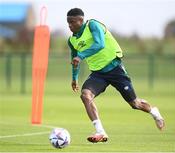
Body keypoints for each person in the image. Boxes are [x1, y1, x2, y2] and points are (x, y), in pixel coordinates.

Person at [67, 8, 165, 143]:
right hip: (98, 74)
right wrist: (74, 78)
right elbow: (74, 60)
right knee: (85, 95)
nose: (69, 25)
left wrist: (81, 55)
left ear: (81, 20)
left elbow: (99, 44)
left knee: (135, 104)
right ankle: (100, 131)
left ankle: (154, 112)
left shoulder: (93, 25)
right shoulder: (72, 40)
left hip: (115, 69)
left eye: (72, 22)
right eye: (68, 23)